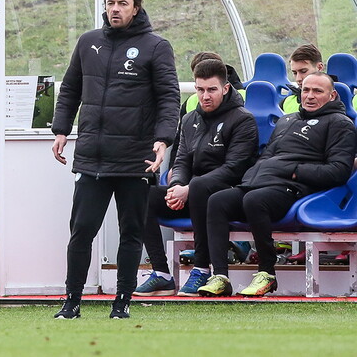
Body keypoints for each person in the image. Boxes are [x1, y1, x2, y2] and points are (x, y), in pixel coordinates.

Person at [50, 0, 180, 319]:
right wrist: (61, 130)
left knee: (131, 233)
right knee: (81, 232)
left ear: (135, 8)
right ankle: (72, 302)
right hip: (92, 156)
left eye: (123, 3)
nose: (115, 9)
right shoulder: (88, 42)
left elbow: (169, 97)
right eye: (110, 3)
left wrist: (163, 139)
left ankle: (122, 302)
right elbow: (70, 90)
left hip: (135, 158)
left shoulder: (156, 46)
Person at [198, 72, 356, 297]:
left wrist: (294, 172)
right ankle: (220, 276)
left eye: (317, 91)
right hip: (261, 183)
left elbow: (338, 171)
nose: (309, 96)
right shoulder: (287, 120)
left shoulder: (340, 124)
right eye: (306, 90)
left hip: (296, 190)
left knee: (255, 200)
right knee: (217, 200)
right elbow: (267, 157)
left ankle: (266, 273)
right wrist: (252, 176)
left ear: (332, 96)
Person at [133, 59, 258, 297]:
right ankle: (162, 273)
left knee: (200, 186)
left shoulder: (243, 119)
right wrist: (176, 186)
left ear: (225, 88)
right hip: (192, 193)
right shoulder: (190, 119)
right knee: (141, 194)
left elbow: (234, 168)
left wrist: (188, 189)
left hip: (228, 196)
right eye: (200, 89)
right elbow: (181, 161)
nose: (205, 96)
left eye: (211, 89)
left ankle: (201, 269)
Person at [282, 44, 324, 112]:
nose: (298, 79)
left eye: (303, 71)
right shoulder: (287, 101)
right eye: (295, 73)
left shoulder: (334, 100)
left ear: (319, 67)